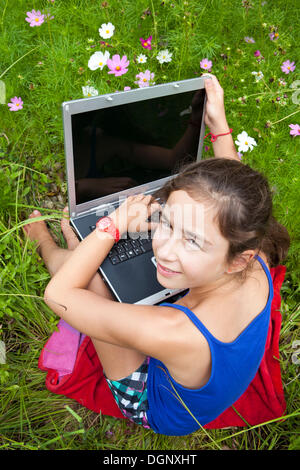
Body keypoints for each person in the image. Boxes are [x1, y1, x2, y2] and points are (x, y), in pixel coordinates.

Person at [23, 75, 290, 436]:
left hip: (158, 407)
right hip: (206, 351)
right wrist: (218, 126)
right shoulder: (254, 254)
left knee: (91, 278)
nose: (163, 248)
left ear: (236, 260)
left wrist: (112, 227)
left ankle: (43, 241)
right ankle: (81, 243)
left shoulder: (174, 331)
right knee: (98, 260)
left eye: (193, 241)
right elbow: (239, 195)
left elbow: (59, 295)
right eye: (165, 220)